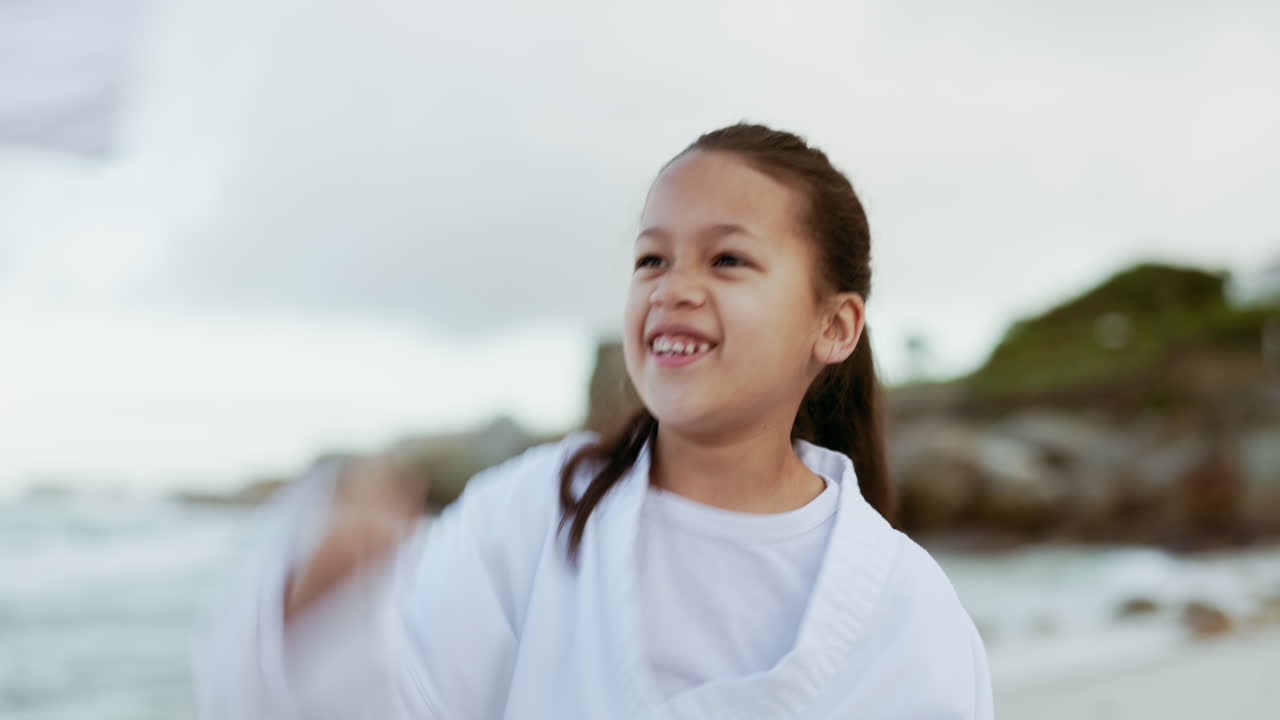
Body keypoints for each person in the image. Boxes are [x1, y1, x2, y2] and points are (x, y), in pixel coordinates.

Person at [192, 123, 993, 719]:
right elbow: (394, 693)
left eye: (727, 259)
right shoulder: (535, 513)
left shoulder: (908, 608)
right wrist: (315, 599)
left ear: (835, 327)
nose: (672, 287)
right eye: (651, 258)